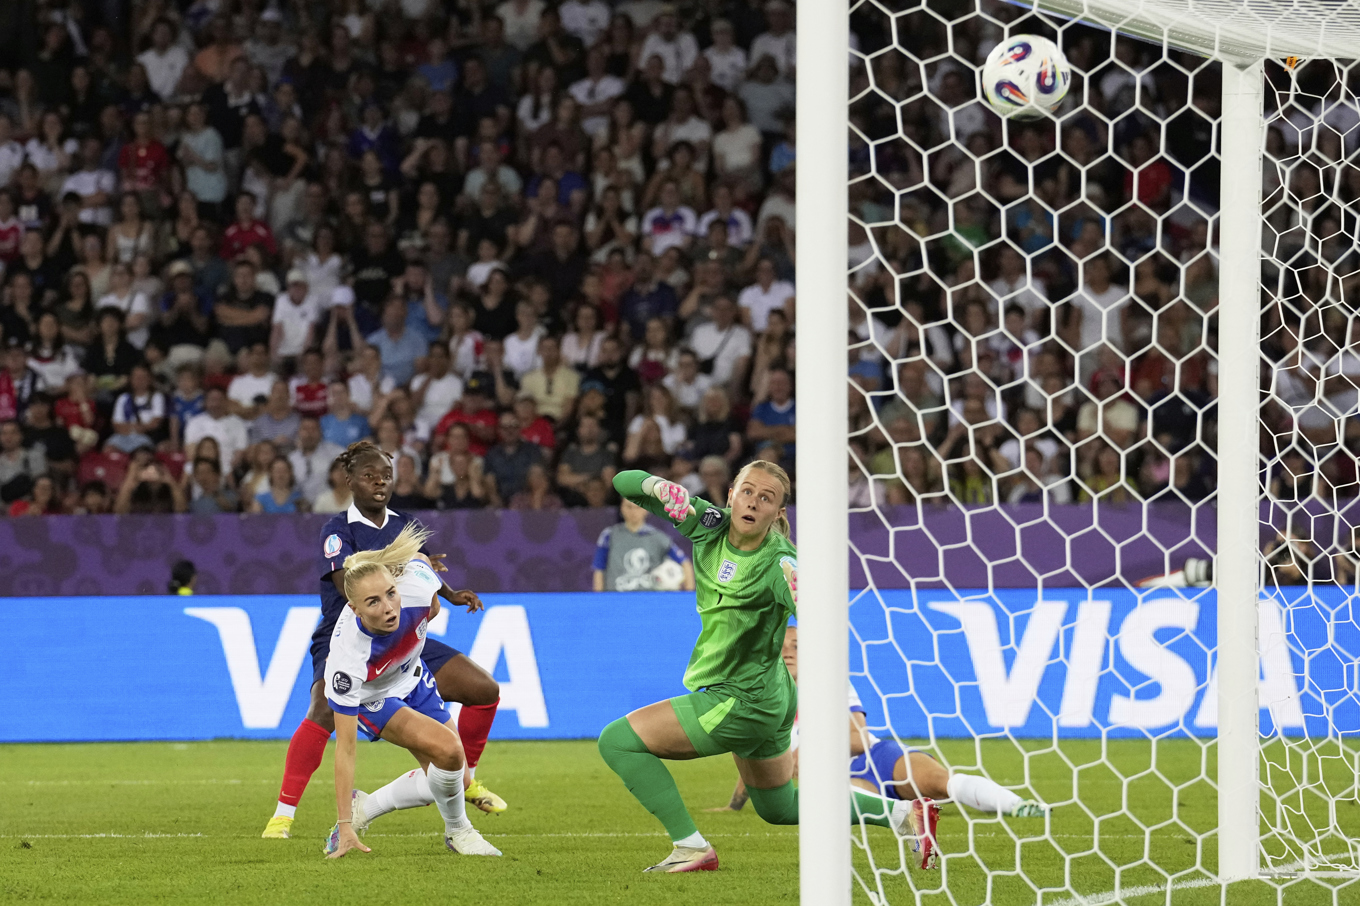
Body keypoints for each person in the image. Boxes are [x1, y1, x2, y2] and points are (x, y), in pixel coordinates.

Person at [598, 463, 923, 873]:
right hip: (773, 694)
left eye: (766, 498)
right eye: (748, 491)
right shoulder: (707, 523)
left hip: (743, 698)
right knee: (779, 807)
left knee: (617, 741)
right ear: (731, 495)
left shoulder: (780, 563)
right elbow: (622, 482)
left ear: (778, 513)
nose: (753, 502)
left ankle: (690, 847)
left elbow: (816, 613)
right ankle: (904, 813)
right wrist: (661, 489)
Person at [262, 441, 507, 841]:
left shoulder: (405, 524)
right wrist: (397, 565)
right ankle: (283, 814)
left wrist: (450, 593)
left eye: (386, 476)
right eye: (369, 476)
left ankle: (468, 779)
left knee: (484, 689)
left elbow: (423, 569)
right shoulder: (337, 531)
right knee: (323, 710)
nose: (380, 482)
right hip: (350, 636)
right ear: (350, 481)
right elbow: (348, 587)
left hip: (402, 631)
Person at [710, 626, 1048, 839]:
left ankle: (1018, 805)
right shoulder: (762, 700)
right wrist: (734, 806)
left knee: (939, 782)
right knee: (838, 800)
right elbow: (757, 760)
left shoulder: (831, 684)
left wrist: (810, 750)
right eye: (782, 646)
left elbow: (858, 739)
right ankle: (914, 822)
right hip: (843, 780)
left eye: (797, 645)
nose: (788, 651)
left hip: (878, 758)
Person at [321, 524, 501, 860]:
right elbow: (345, 749)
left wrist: (444, 595)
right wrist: (344, 825)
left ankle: (366, 808)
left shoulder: (416, 586)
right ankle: (460, 832)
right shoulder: (347, 661)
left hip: (413, 677)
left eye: (391, 593)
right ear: (355, 609)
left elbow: (420, 561)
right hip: (374, 699)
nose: (388, 607)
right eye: (373, 602)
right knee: (449, 750)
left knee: (456, 779)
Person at [593, 498, 695, 591]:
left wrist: (689, 594)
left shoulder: (658, 538)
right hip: (616, 597)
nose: (633, 511)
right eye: (629, 507)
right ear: (621, 508)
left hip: (650, 598)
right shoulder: (610, 535)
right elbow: (599, 569)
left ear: (646, 509)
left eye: (638, 507)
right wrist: (598, 598)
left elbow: (685, 564)